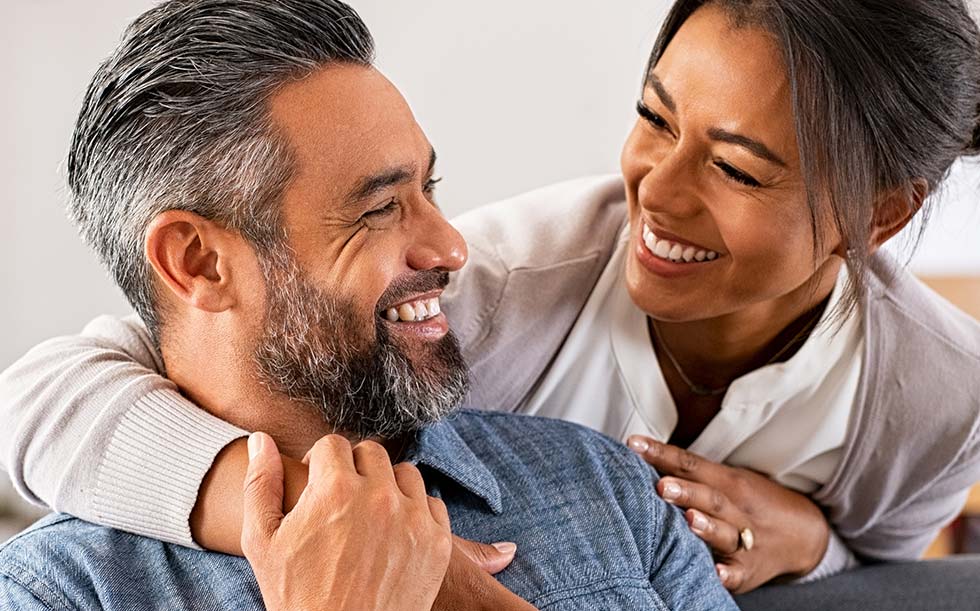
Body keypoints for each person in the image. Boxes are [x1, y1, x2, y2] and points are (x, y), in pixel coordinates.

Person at [2, 0, 980, 607]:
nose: (659, 191)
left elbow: (881, 570)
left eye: (735, 167)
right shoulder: (491, 288)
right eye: (652, 119)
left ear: (875, 216)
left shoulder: (932, 398)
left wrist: (814, 544)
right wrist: (317, 519)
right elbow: (68, 387)